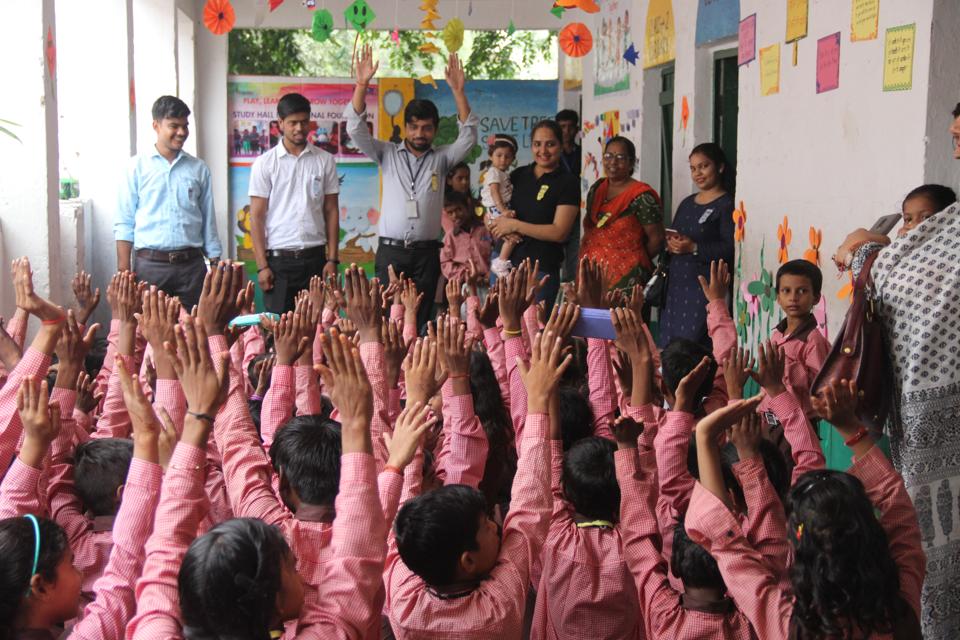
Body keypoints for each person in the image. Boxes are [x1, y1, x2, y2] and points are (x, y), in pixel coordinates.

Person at [827, 106, 960, 638]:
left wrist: (860, 250)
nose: (954, 135)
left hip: (939, 405)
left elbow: (879, 271)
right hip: (923, 411)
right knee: (922, 523)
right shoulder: (941, 233)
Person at [684, 382, 925, 640]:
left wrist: (705, 440)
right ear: (873, 532)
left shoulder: (791, 629)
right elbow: (897, 506)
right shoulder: (901, 611)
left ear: (799, 550)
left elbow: (730, 548)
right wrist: (851, 428)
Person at [345, 45, 478, 332]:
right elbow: (355, 130)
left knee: (419, 321)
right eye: (414, 127)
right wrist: (361, 84)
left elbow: (468, 137)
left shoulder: (442, 158)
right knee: (383, 320)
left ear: (434, 129)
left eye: (427, 128)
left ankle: (415, 375)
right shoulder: (386, 153)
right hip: (391, 252)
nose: (420, 134)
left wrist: (458, 92)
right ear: (405, 127)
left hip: (427, 255)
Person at [114, 95, 222, 310]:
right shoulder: (136, 168)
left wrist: (216, 262)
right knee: (149, 333)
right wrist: (124, 269)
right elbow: (124, 223)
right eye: (174, 126)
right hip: (150, 267)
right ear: (156, 125)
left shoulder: (198, 169)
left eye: (185, 126)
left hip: (192, 268)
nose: (181, 132)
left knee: (196, 332)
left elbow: (208, 219)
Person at [249, 92, 341, 314]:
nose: (299, 128)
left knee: (318, 331)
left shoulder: (325, 160)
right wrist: (262, 266)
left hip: (316, 260)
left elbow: (331, 211)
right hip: (279, 264)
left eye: (304, 121)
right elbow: (257, 217)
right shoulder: (264, 164)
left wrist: (332, 260)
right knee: (278, 331)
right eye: (292, 123)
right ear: (280, 123)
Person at [488, 120, 580, 313]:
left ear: (561, 146)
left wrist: (514, 225)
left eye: (550, 144)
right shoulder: (518, 175)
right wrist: (495, 224)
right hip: (503, 265)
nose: (543, 150)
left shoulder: (568, 182)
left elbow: (559, 232)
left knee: (534, 334)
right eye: (537, 144)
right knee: (497, 329)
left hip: (540, 269)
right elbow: (492, 208)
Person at [658, 142, 735, 348]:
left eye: (704, 166)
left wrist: (694, 248)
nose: (698, 173)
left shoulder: (727, 204)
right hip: (676, 286)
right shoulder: (687, 203)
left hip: (704, 287)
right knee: (670, 347)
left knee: (694, 346)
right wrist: (672, 244)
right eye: (693, 168)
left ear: (719, 167)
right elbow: (673, 236)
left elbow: (730, 248)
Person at [579, 136, 665, 291]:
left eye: (620, 157)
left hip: (626, 280)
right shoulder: (597, 189)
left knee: (622, 317)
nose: (613, 162)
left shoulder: (642, 197)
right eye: (608, 156)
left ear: (631, 163)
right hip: (590, 274)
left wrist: (629, 258)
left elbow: (657, 239)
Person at [481, 135, 519, 277]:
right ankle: (500, 263)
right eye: (499, 155)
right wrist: (503, 211)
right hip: (497, 209)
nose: (503, 159)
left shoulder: (502, 173)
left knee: (512, 236)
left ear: (513, 159)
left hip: (498, 209)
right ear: (491, 156)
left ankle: (501, 261)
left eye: (507, 156)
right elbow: (494, 192)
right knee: (512, 237)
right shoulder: (493, 173)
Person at [440, 190, 491, 286]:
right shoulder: (450, 238)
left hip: (490, 282)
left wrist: (492, 272)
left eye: (458, 209)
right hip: (465, 285)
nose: (455, 215)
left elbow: (497, 252)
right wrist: (465, 275)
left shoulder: (485, 230)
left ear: (467, 206)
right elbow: (445, 263)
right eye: (450, 213)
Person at [556, 109, 583, 285]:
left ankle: (569, 287)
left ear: (576, 129)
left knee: (574, 251)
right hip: (555, 209)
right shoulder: (552, 155)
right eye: (562, 127)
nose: (566, 131)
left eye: (570, 127)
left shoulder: (582, 153)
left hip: (577, 208)